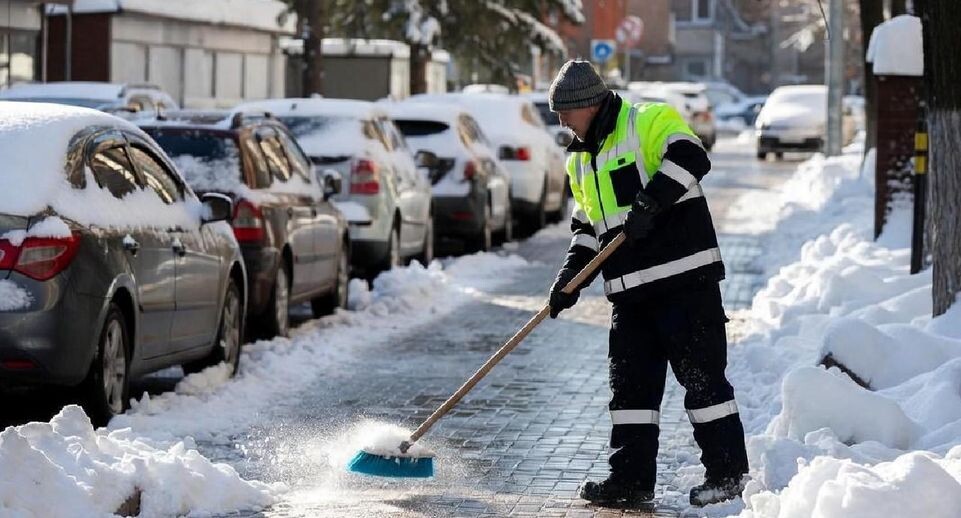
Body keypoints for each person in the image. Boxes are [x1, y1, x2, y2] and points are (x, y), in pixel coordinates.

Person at [545, 60, 750, 508]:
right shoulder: (579, 161)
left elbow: (692, 156)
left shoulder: (647, 120)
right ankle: (630, 481)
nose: (561, 122)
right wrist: (569, 281)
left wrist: (650, 204)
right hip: (631, 297)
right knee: (630, 394)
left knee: (703, 384)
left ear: (589, 104)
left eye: (565, 112)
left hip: (684, 284)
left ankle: (728, 475)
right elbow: (587, 230)